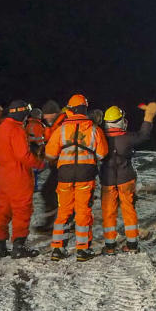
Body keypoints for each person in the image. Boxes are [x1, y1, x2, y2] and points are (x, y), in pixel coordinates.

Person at [44, 94, 108, 261]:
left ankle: (58, 249)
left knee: (63, 210)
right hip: (85, 175)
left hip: (64, 175)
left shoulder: (61, 129)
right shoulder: (94, 129)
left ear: (71, 110)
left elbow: (49, 154)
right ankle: (82, 249)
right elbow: (102, 154)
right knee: (83, 211)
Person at [99, 103, 156, 255]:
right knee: (128, 209)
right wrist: (148, 117)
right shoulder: (127, 138)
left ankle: (110, 246)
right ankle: (132, 244)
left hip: (107, 180)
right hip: (126, 178)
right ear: (120, 121)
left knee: (108, 212)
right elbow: (144, 135)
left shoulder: (100, 136)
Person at [0, 101, 46, 258]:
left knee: (3, 209)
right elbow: (23, 156)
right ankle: (18, 247)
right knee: (22, 209)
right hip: (18, 175)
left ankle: (0, 247)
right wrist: (40, 164)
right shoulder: (16, 130)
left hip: (3, 174)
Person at [34, 99, 63, 231]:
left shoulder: (61, 125)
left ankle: (52, 223)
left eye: (47, 114)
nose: (44, 117)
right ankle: (53, 222)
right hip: (57, 165)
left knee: (48, 192)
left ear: (54, 113)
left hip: (63, 166)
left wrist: (47, 153)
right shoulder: (54, 125)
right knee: (51, 193)